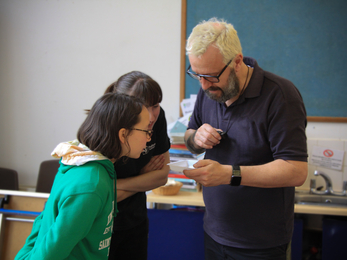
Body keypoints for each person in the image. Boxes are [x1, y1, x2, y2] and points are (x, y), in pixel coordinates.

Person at [183, 18, 308, 260]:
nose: (204, 85)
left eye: (210, 76)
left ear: (237, 61)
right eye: (196, 75)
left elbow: (296, 170)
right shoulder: (207, 87)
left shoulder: (280, 95)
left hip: (261, 245)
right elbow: (190, 135)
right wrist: (196, 139)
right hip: (214, 233)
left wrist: (230, 174)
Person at [15, 93, 151, 260]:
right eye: (146, 130)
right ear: (123, 135)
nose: (148, 137)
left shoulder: (84, 163)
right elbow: (49, 252)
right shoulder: (90, 185)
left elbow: (44, 221)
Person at [105, 71, 171, 260]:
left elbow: (161, 176)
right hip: (103, 223)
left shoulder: (157, 119)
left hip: (136, 219)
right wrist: (143, 178)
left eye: (155, 106)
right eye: (142, 107)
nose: (151, 116)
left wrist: (117, 185)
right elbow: (102, 196)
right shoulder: (106, 123)